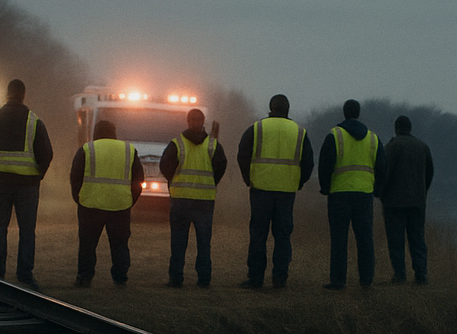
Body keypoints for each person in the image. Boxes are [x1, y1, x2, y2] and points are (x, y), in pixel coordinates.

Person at [0, 78, 52, 290]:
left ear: (6, 94)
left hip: (0, 183)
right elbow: (47, 153)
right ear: (23, 95)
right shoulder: (34, 121)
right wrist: (37, 176)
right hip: (27, 186)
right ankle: (25, 274)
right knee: (27, 230)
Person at [235, 94, 313, 288]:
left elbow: (242, 154)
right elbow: (309, 162)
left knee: (258, 234)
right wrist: (299, 182)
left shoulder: (257, 128)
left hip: (260, 189)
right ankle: (280, 277)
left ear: (271, 107)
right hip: (286, 191)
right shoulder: (299, 132)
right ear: (288, 108)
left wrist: (248, 178)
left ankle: (255, 278)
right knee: (283, 235)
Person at [316, 99, 387, 289]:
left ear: (344, 112)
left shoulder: (334, 135)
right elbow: (382, 167)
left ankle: (338, 281)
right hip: (364, 195)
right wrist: (377, 190)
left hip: (339, 194)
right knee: (365, 238)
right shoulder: (373, 138)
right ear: (358, 113)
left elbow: (324, 165)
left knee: (339, 239)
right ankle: (366, 280)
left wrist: (325, 187)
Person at [69, 119, 143, 287]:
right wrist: (130, 200)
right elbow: (139, 179)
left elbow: (75, 177)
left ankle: (84, 277)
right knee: (120, 245)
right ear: (114, 132)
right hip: (120, 205)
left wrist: (80, 198)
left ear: (96, 132)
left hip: (90, 205)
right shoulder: (129, 150)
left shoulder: (87, 149)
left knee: (87, 244)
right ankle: (120, 277)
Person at [158, 108, 227, 288]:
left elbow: (165, 166)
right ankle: (204, 279)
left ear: (187, 121)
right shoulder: (213, 145)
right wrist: (211, 182)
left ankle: (176, 278)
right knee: (204, 242)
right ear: (203, 121)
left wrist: (174, 181)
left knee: (178, 242)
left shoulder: (176, 144)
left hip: (180, 200)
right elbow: (221, 166)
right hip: (204, 200)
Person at [381, 114, 435, 283]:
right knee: (417, 239)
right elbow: (430, 174)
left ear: (396, 129)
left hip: (394, 203)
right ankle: (421, 275)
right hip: (417, 203)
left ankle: (400, 275)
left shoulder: (391, 147)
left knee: (396, 241)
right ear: (410, 128)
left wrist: (381, 194)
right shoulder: (423, 147)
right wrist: (422, 192)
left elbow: (384, 174)